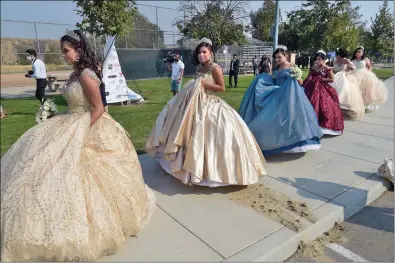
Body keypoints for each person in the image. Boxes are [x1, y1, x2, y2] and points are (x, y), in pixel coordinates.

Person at [0, 30, 156, 262]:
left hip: (90, 126)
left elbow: (100, 108)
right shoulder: (75, 74)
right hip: (70, 120)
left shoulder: (85, 74)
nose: (63, 55)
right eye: (62, 51)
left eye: (66, 51)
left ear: (79, 50)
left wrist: (79, 131)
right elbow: (76, 103)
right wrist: (57, 115)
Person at [145, 37, 267, 187]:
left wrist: (204, 83)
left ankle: (213, 171)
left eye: (204, 52)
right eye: (199, 53)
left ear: (211, 53)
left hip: (211, 103)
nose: (201, 55)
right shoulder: (199, 68)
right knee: (182, 125)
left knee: (212, 133)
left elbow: (222, 88)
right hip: (195, 102)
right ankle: (184, 163)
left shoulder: (215, 68)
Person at [238, 48, 323, 155]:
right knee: (278, 118)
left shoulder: (292, 66)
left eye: (279, 57)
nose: (277, 59)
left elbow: (301, 82)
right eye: (275, 57)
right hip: (278, 95)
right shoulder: (275, 68)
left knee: (291, 118)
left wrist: (295, 77)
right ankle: (279, 140)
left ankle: (295, 140)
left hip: (290, 96)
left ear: (285, 56)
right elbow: (273, 81)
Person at [303, 50, 344, 136]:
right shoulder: (313, 67)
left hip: (323, 89)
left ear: (324, 60)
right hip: (311, 88)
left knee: (324, 105)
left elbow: (332, 79)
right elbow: (308, 77)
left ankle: (322, 126)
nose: (318, 61)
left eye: (320, 59)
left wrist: (322, 79)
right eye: (316, 59)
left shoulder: (327, 68)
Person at [329, 48, 365, 119]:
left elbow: (354, 68)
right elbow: (334, 69)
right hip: (336, 77)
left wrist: (348, 70)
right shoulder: (335, 61)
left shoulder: (346, 60)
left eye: (337, 54)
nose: (336, 56)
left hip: (344, 77)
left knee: (343, 92)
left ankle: (343, 108)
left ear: (341, 55)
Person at [351, 46, 388, 111]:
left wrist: (368, 72)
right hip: (354, 75)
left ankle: (365, 104)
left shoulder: (365, 59)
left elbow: (370, 66)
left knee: (366, 91)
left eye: (359, 52)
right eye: (357, 52)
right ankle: (357, 104)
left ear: (362, 53)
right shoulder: (353, 60)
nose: (358, 53)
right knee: (356, 90)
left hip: (364, 75)